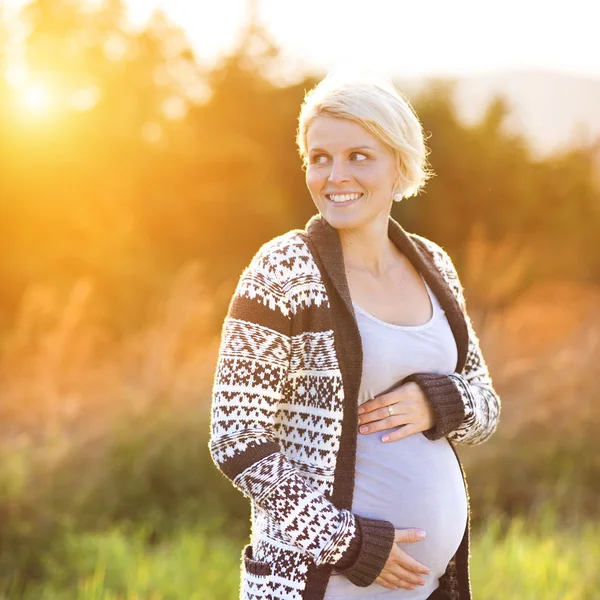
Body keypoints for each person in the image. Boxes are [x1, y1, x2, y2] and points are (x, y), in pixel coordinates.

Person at [208, 72, 501, 600]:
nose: (334, 175)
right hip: (323, 583)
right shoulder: (283, 271)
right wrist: (349, 544)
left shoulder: (434, 264)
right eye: (319, 158)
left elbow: (485, 406)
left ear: (399, 165)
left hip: (429, 586)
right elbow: (237, 440)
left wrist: (440, 401)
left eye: (359, 156)